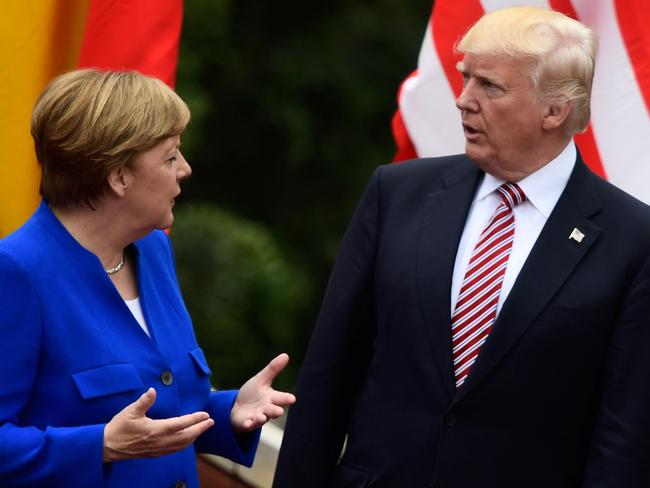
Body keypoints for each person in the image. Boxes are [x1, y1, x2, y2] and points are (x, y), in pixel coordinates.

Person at [274, 6, 650, 488]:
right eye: (465, 78)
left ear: (554, 110)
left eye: (489, 86)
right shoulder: (397, 195)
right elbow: (329, 375)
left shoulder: (631, 241)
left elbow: (623, 436)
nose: (463, 100)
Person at [0, 68, 296, 488]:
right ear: (119, 176)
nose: (186, 169)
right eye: (170, 156)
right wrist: (100, 444)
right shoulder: (15, 271)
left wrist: (228, 412)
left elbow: (159, 413)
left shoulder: (152, 249)